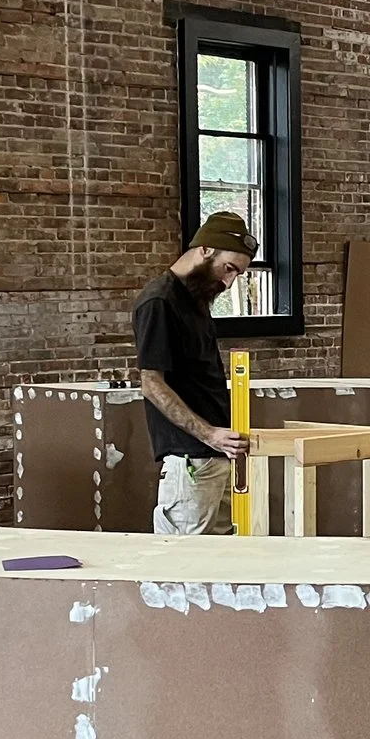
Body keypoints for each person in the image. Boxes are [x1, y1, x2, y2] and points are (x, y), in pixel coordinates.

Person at [133, 212, 256, 534]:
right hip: (192, 459)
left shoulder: (196, 299)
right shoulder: (160, 301)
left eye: (238, 275)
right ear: (205, 250)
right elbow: (151, 383)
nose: (228, 282)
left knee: (220, 558)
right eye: (228, 269)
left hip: (216, 455)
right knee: (182, 563)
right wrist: (208, 434)